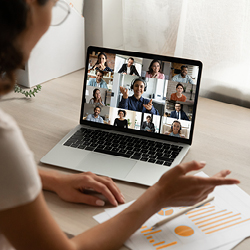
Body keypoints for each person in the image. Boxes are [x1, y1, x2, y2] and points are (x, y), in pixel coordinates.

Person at [0, 1, 240, 250]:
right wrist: (159, 196)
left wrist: (52, 180)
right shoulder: (3, 137)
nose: (51, 18)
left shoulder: (151, 105)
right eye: (53, 5)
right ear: (26, 9)